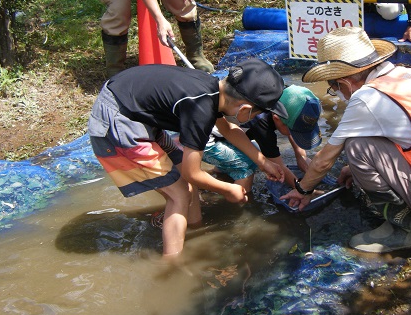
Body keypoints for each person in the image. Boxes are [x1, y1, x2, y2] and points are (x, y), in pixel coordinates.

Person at [282, 27, 411, 253]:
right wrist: (353, 169)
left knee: (357, 146)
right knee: (363, 142)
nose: (337, 93)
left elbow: (324, 161)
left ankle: (405, 229)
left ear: (345, 83)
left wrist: (302, 190)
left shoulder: (367, 98)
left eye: (334, 87)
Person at [87, 59, 287, 257]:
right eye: (256, 115)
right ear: (245, 109)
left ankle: (192, 227)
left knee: (187, 187)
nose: (254, 120)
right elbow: (192, 173)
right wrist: (228, 189)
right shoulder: (200, 110)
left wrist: (263, 162)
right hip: (118, 120)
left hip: (134, 108)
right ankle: (172, 264)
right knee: (180, 193)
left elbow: (229, 130)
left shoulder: (213, 90)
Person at [203, 85, 322, 192]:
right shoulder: (262, 124)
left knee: (251, 151)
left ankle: (218, 173)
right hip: (206, 137)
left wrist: (300, 156)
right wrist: (303, 190)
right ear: (276, 118)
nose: (295, 134)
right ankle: (239, 202)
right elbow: (279, 167)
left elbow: (290, 125)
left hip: (228, 131)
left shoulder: (286, 96)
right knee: (246, 166)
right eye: (295, 131)